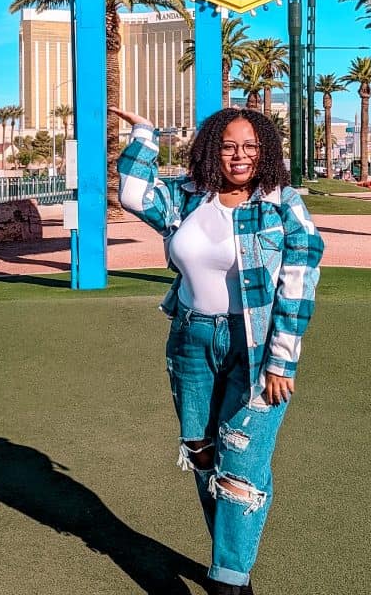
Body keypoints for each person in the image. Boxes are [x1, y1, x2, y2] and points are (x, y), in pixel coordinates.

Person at [113, 105, 324, 595]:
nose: (240, 155)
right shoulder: (188, 197)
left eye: (251, 146)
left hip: (256, 346)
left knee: (242, 465)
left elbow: (299, 281)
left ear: (266, 151)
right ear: (212, 148)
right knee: (202, 452)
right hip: (191, 340)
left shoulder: (282, 205)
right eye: (229, 145)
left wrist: (282, 359)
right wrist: (146, 132)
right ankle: (230, 564)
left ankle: (229, 582)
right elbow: (133, 193)